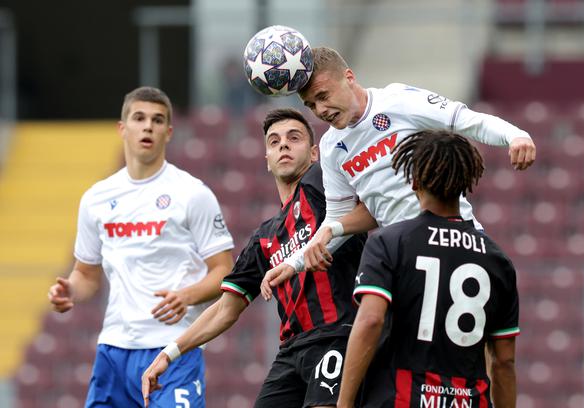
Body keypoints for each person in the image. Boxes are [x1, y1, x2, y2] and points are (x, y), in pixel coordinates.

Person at [259, 46, 536, 294]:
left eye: (323, 96)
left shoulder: (397, 101)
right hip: (407, 252)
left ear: (349, 77)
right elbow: (338, 219)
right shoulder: (332, 147)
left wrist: (515, 135)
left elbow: (464, 120)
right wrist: (294, 263)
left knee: (479, 342)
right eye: (310, 105)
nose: (320, 110)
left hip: (457, 236)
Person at [141, 108, 366, 408]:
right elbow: (225, 310)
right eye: (274, 142)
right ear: (267, 161)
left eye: (293, 138)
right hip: (291, 351)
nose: (283, 145)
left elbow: (371, 208)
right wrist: (169, 353)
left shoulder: (323, 186)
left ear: (314, 153)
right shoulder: (264, 238)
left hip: (338, 335)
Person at [47, 86, 235, 407]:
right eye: (139, 118)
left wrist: (187, 295)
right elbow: (86, 275)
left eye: (158, 120)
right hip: (114, 348)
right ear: (123, 128)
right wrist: (70, 291)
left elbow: (225, 271)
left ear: (169, 132)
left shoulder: (192, 193)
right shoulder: (96, 198)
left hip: (173, 348)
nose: (148, 126)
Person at [336, 130, 519, 407]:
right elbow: (504, 361)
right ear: (465, 184)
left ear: (415, 182)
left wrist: (344, 404)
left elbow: (371, 320)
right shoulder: (498, 260)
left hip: (401, 399)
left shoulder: (390, 241)